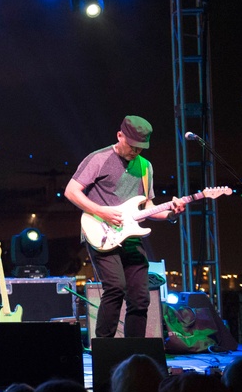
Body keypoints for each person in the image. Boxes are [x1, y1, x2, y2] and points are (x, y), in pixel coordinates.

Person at [64, 115, 185, 338]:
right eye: (132, 146)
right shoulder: (98, 159)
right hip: (100, 232)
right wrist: (101, 211)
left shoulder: (145, 167)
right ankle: (104, 349)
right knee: (115, 288)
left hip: (130, 235)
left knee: (140, 297)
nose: (135, 152)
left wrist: (170, 214)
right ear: (120, 136)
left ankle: (134, 353)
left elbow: (147, 206)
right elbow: (71, 191)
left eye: (141, 148)